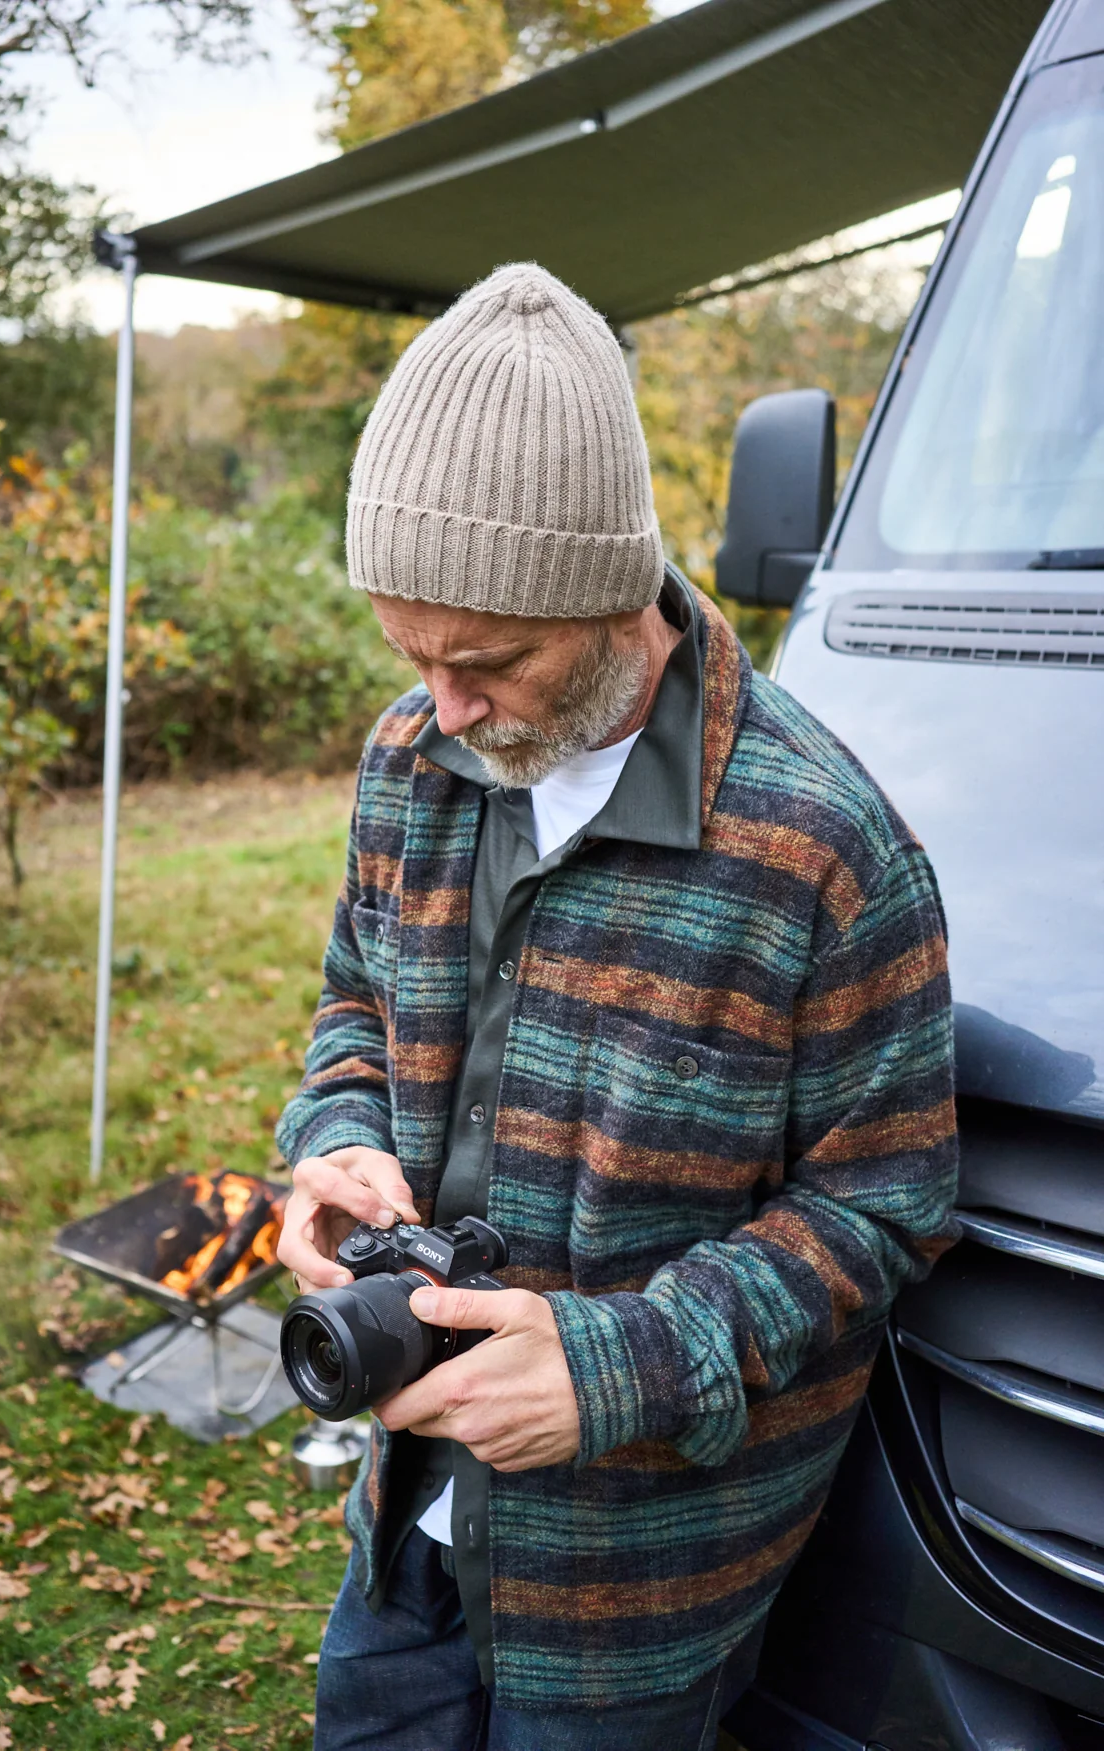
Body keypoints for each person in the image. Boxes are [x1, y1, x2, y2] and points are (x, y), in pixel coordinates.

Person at [275, 262, 958, 1751]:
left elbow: (882, 1204)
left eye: (489, 663)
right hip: (405, 1524)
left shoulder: (821, 847)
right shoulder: (413, 761)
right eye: (412, 656)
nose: (440, 708)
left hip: (637, 1591)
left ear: (606, 596)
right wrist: (331, 1144)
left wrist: (615, 1363)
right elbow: (353, 1000)